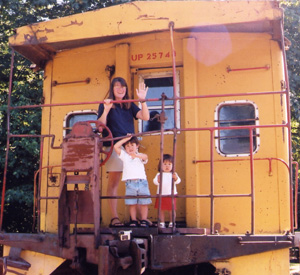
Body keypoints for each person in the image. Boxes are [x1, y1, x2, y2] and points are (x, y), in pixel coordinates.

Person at [97, 77, 149, 227]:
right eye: (117, 86)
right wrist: (106, 110)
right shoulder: (106, 104)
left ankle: (140, 219)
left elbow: (145, 117)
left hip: (130, 148)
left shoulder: (129, 105)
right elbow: (101, 126)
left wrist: (143, 101)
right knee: (113, 182)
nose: (121, 89)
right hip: (114, 146)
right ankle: (114, 217)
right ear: (112, 89)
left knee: (137, 179)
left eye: (123, 86)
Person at [114, 135, 152, 227]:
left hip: (142, 182)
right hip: (130, 183)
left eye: (132, 145)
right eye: (127, 146)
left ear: (137, 146)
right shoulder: (124, 156)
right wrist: (126, 139)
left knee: (144, 202)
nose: (130, 148)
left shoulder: (140, 156)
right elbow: (116, 146)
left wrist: (136, 155)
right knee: (132, 203)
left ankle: (144, 219)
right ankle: (134, 220)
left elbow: (145, 157)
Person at [153, 154, 181, 228]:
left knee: (171, 209)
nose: (167, 166)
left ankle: (172, 222)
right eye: (164, 164)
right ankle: (162, 222)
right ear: (160, 165)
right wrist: (158, 180)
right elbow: (155, 182)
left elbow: (178, 181)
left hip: (171, 194)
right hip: (161, 194)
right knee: (161, 209)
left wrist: (175, 178)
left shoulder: (174, 174)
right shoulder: (159, 174)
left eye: (169, 164)